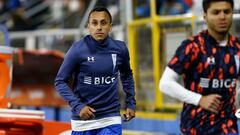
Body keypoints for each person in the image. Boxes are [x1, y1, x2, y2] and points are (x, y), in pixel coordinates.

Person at [159, 0, 239, 134]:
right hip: (195, 127)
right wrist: (199, 99)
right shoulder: (192, 46)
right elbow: (165, 84)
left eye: (226, 11)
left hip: (228, 127)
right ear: (205, 16)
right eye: (216, 12)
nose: (222, 16)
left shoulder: (237, 47)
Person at [55, 6, 136, 135]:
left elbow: (127, 75)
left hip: (111, 118)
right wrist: (78, 106)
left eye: (103, 23)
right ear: (88, 26)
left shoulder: (120, 49)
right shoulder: (77, 49)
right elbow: (60, 81)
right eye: (94, 23)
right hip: (82, 121)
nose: (99, 27)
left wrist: (131, 103)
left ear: (110, 26)